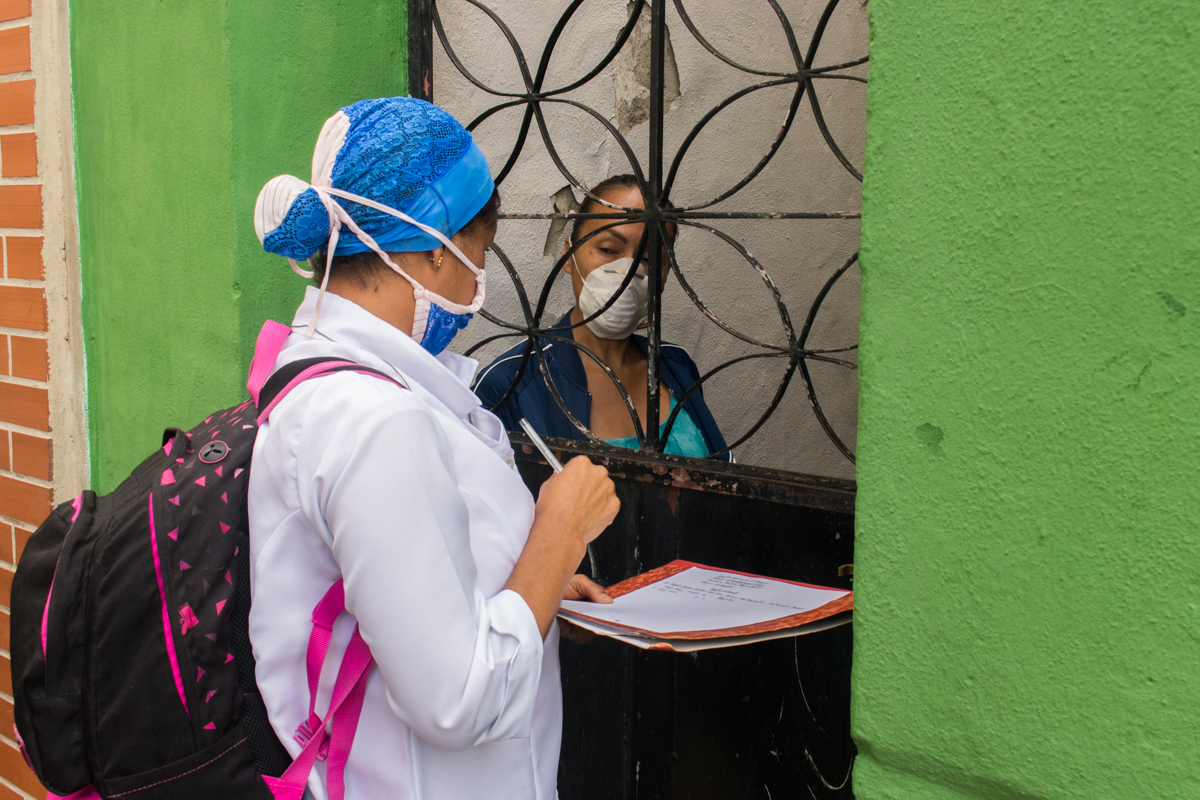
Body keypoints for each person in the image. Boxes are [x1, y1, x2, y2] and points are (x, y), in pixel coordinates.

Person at [249, 97, 619, 800]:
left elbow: (393, 592)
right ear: (429, 247)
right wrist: (558, 532)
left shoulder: (333, 381)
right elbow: (457, 701)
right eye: (478, 249)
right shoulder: (372, 420)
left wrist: (532, 591)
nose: (479, 276)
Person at [473, 175, 730, 460]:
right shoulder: (511, 383)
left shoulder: (676, 366)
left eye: (648, 258)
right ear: (569, 254)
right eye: (608, 249)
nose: (628, 271)